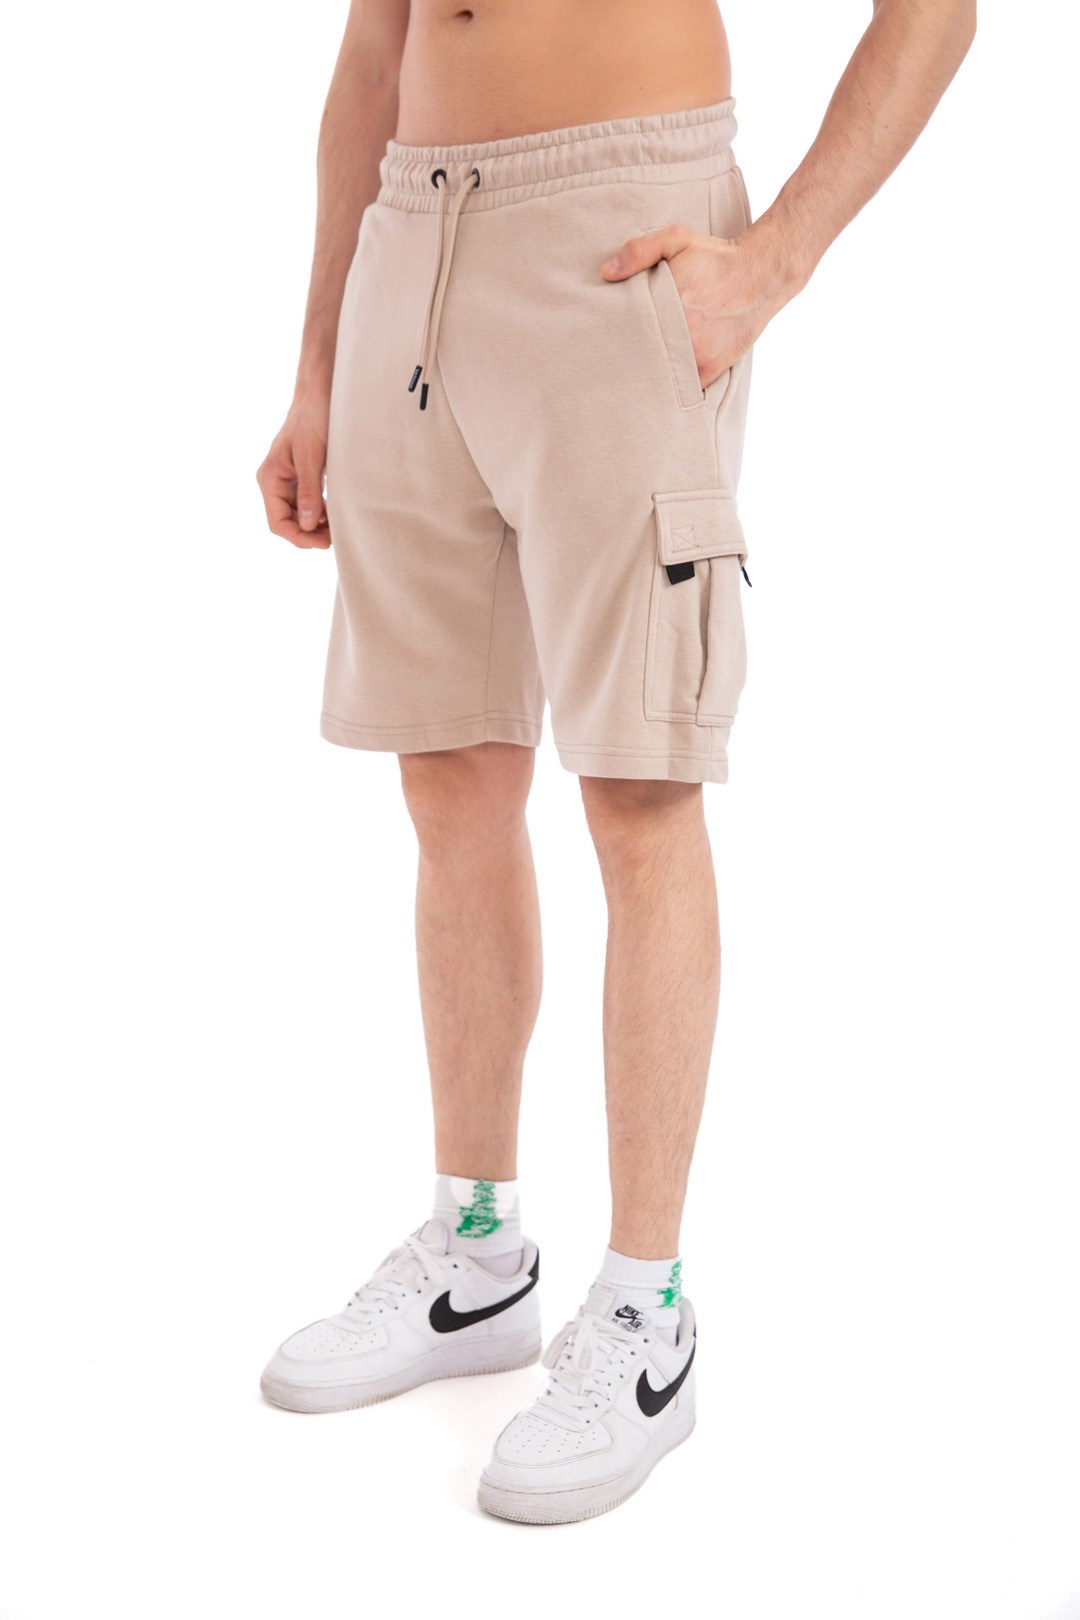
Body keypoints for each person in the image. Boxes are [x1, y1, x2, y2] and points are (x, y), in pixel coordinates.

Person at [255, 0, 975, 1524]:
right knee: (449, 784)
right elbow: (373, 49)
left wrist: (772, 263)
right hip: (413, 241)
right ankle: (475, 1252)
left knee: (640, 789)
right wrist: (317, 356)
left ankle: (647, 1316)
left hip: (617, 234)